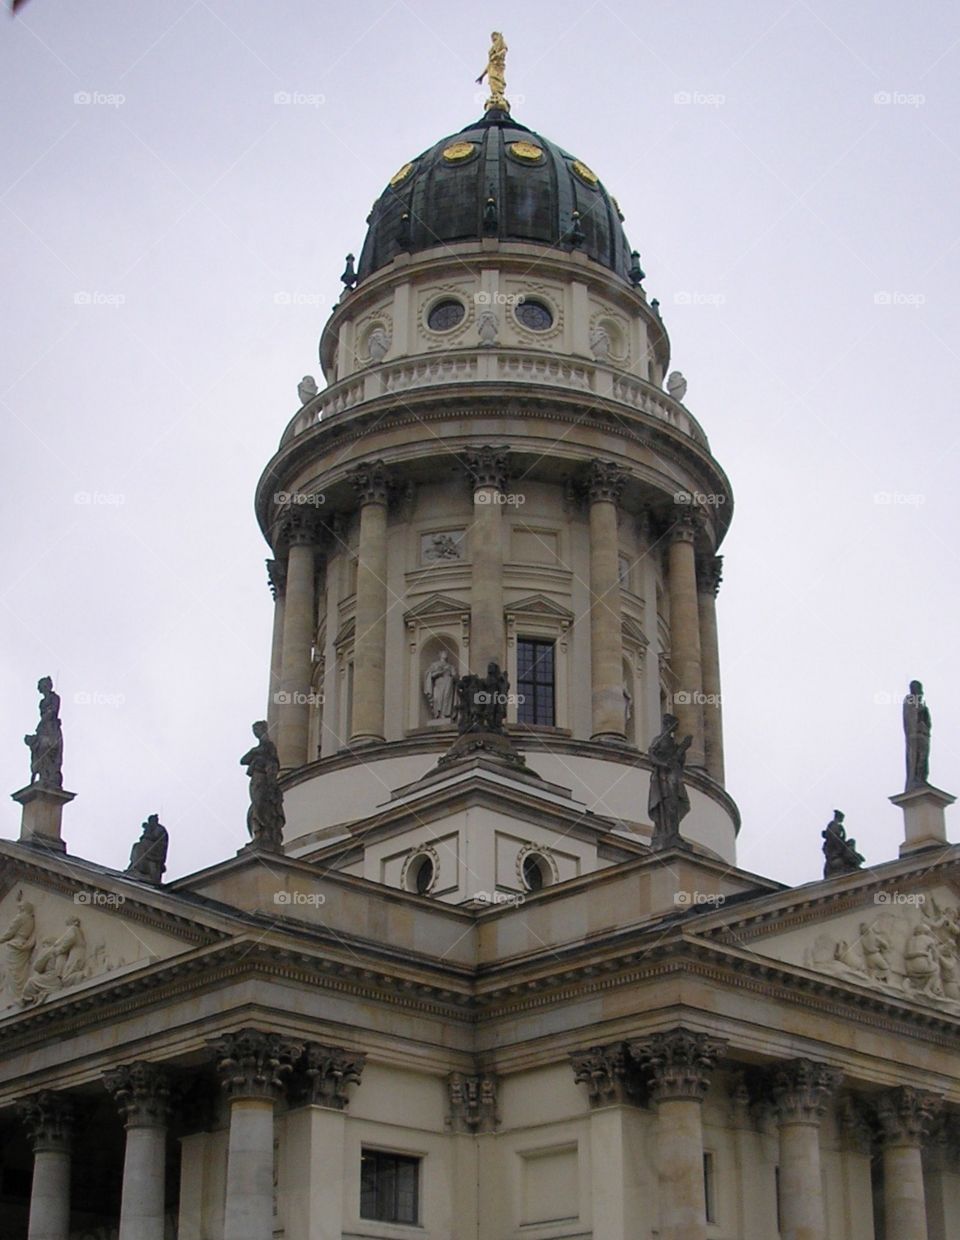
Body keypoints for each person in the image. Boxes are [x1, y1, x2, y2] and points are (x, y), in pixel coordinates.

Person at [647, 714, 692, 847]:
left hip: (674, 775)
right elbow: (651, 755)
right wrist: (664, 764)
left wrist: (681, 752)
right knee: (668, 804)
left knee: (676, 804)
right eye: (672, 725)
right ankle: (667, 832)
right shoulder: (659, 739)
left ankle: (673, 832)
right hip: (663, 776)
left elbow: (679, 761)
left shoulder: (673, 743)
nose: (674, 728)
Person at [240, 722, 285, 849]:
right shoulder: (259, 748)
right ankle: (259, 832)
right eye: (255, 730)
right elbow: (243, 760)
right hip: (256, 780)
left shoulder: (268, 746)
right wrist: (255, 752)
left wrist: (272, 783)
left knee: (261, 804)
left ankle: (265, 832)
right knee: (257, 805)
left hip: (264, 780)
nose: (256, 732)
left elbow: (273, 765)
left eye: (258, 730)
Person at [903, 679, 931, 790]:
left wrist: (925, 712)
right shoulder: (910, 699)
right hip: (915, 734)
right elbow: (910, 715)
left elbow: (928, 722)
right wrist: (919, 710)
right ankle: (916, 779)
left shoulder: (922, 704)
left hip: (924, 734)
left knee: (924, 757)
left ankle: (922, 778)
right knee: (916, 757)